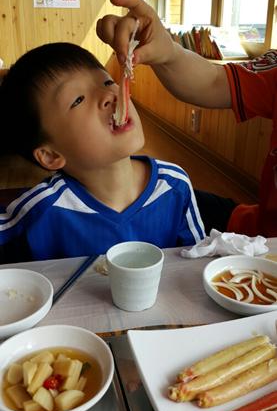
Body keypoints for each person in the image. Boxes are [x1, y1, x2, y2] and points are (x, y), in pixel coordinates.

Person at [0, 42, 205, 263]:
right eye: (78, 99)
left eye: (107, 81)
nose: (109, 94)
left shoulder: (174, 185)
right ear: (51, 156)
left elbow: (196, 263)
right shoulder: (40, 208)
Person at [96, 0, 277, 238]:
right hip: (253, 226)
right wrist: (166, 50)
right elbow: (212, 81)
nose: (110, 96)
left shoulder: (172, 178)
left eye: (108, 82)